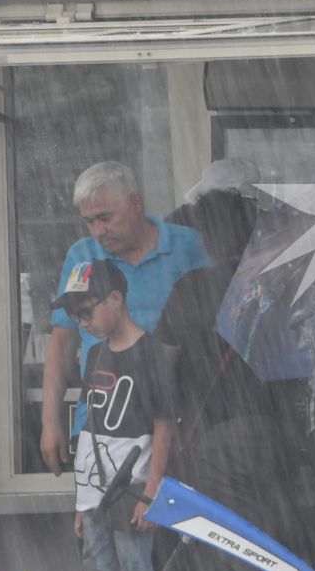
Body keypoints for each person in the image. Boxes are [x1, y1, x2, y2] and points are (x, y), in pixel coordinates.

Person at [156, 189, 302, 571]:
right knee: (271, 550)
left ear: (212, 236)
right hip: (279, 439)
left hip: (219, 440)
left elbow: (161, 367)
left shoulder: (196, 286)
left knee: (233, 558)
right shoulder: (278, 286)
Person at [56, 259, 176, 571]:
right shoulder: (94, 355)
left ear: (115, 300)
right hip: (97, 492)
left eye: (86, 311)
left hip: (132, 488)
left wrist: (152, 489)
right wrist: (82, 501)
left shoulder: (151, 355)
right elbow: (91, 429)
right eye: (76, 316)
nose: (82, 323)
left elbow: (164, 424)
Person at [40, 161, 208, 476]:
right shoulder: (82, 256)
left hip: (176, 426)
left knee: (171, 523)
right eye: (89, 221)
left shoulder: (188, 247)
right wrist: (50, 422)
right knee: (101, 523)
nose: (98, 231)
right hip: (100, 429)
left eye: (105, 218)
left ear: (135, 203)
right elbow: (62, 343)